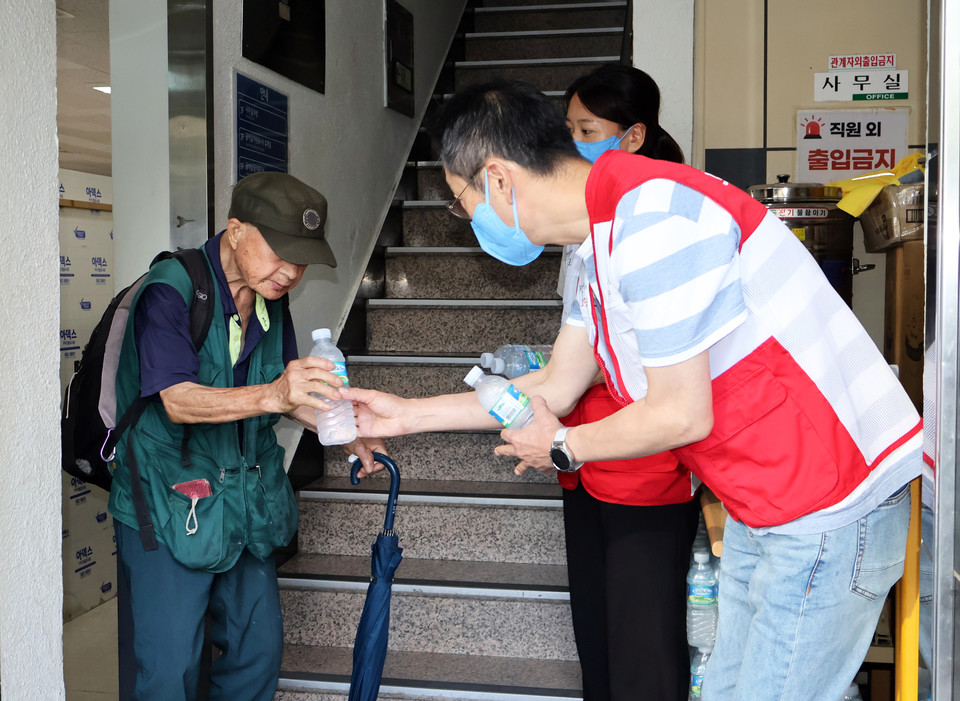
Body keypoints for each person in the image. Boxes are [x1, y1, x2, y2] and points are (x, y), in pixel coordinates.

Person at [342, 80, 922, 701]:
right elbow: (557, 384)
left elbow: (680, 415)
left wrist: (562, 446)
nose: (470, 221)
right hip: (769, 503)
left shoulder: (655, 220)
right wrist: (402, 415)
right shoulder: (599, 240)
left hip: (829, 506)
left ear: (499, 179)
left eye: (463, 202)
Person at [109, 171, 383, 701]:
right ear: (235, 231)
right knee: (169, 670)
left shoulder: (268, 298)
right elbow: (177, 400)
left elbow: (287, 394)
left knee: (257, 656)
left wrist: (347, 433)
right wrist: (276, 395)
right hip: (168, 504)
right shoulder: (169, 290)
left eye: (303, 260)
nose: (292, 272)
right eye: (281, 253)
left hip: (243, 502)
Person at [553, 64, 697, 701]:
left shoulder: (660, 220)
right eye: (568, 129)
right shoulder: (587, 222)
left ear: (633, 136)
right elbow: (581, 344)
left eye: (587, 131)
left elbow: (672, 385)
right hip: (584, 459)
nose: (572, 144)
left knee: (644, 645)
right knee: (598, 634)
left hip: (647, 466)